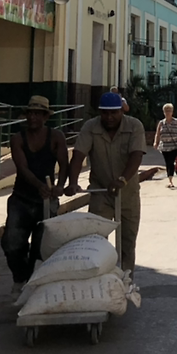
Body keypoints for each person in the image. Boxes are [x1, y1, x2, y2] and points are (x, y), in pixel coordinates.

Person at [66, 92, 145, 272]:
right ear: (99, 112)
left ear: (121, 111)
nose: (109, 117)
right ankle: (101, 279)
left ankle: (126, 279)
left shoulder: (134, 126)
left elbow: (136, 156)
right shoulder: (90, 127)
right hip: (101, 191)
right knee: (96, 240)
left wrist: (122, 180)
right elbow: (78, 156)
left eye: (114, 113)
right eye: (105, 113)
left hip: (128, 194)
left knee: (127, 242)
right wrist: (73, 182)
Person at [1, 96, 68, 291]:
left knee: (42, 246)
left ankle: (32, 282)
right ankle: (20, 277)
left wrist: (60, 186)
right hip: (21, 198)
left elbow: (64, 164)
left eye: (38, 114)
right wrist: (39, 185)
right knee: (11, 243)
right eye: (30, 113)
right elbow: (22, 167)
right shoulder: (17, 138)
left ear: (45, 117)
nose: (32, 117)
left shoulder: (56, 137)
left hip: (46, 201)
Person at [154, 103, 177, 188]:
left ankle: (170, 180)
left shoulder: (176, 122)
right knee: (167, 162)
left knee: (171, 162)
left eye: (169, 111)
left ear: (172, 112)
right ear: (163, 112)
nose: (168, 112)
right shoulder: (161, 123)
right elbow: (157, 134)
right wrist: (156, 143)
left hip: (174, 145)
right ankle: (170, 178)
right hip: (164, 146)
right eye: (166, 111)